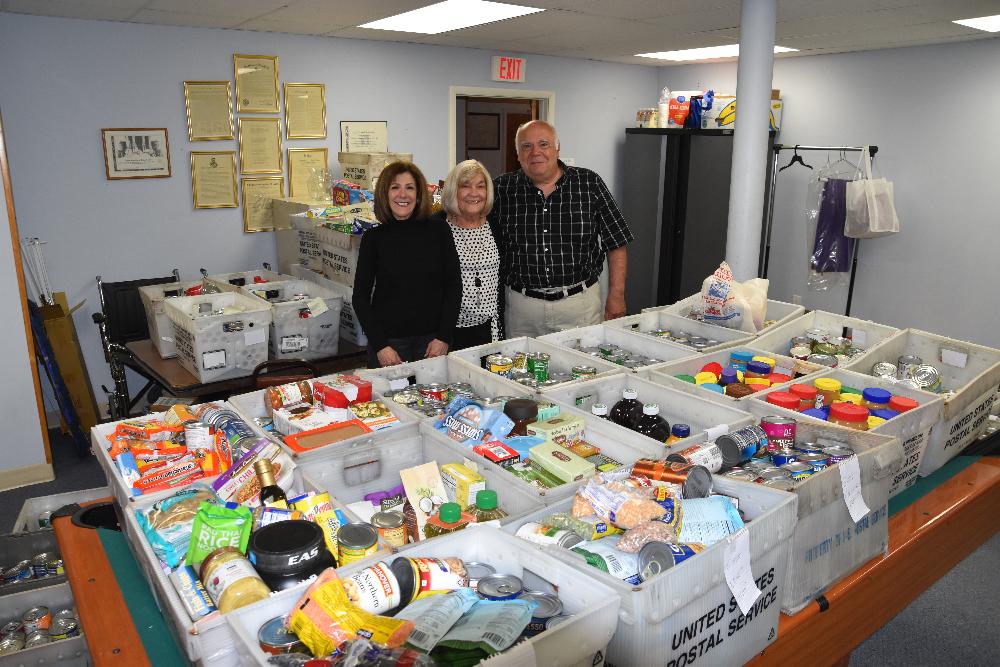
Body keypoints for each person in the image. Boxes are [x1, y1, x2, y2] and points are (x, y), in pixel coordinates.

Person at [491, 120, 633, 338]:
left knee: (587, 369)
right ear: (517, 154)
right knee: (521, 371)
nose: (535, 152)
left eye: (543, 144)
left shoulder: (588, 183)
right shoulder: (501, 189)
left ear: (557, 148)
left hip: (579, 306)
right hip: (522, 311)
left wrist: (617, 295)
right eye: (526, 146)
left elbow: (617, 242)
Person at [352, 162, 461, 368]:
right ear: (385, 194)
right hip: (389, 346)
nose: (403, 194)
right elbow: (360, 298)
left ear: (419, 194)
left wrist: (444, 338)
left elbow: (454, 286)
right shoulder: (373, 239)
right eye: (395, 187)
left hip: (433, 344)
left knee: (434, 400)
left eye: (410, 187)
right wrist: (380, 346)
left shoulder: (439, 230)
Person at [430, 159, 502, 349]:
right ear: (453, 190)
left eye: (480, 186)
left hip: (489, 329)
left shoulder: (495, 224)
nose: (474, 193)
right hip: (447, 332)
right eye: (465, 186)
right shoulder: (436, 228)